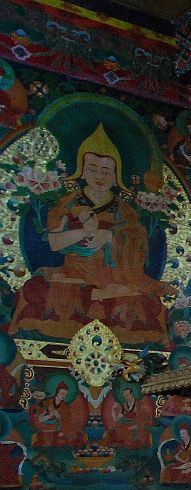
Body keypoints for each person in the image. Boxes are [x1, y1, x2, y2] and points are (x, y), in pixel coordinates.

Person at [10, 123, 166, 342]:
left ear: (115, 176)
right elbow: (54, 243)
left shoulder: (123, 210)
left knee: (143, 303)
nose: (99, 176)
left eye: (106, 171)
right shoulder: (68, 203)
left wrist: (110, 237)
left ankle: (99, 298)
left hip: (113, 277)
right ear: (82, 171)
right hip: (74, 273)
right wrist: (81, 233)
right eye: (92, 169)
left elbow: (138, 243)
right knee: (38, 290)